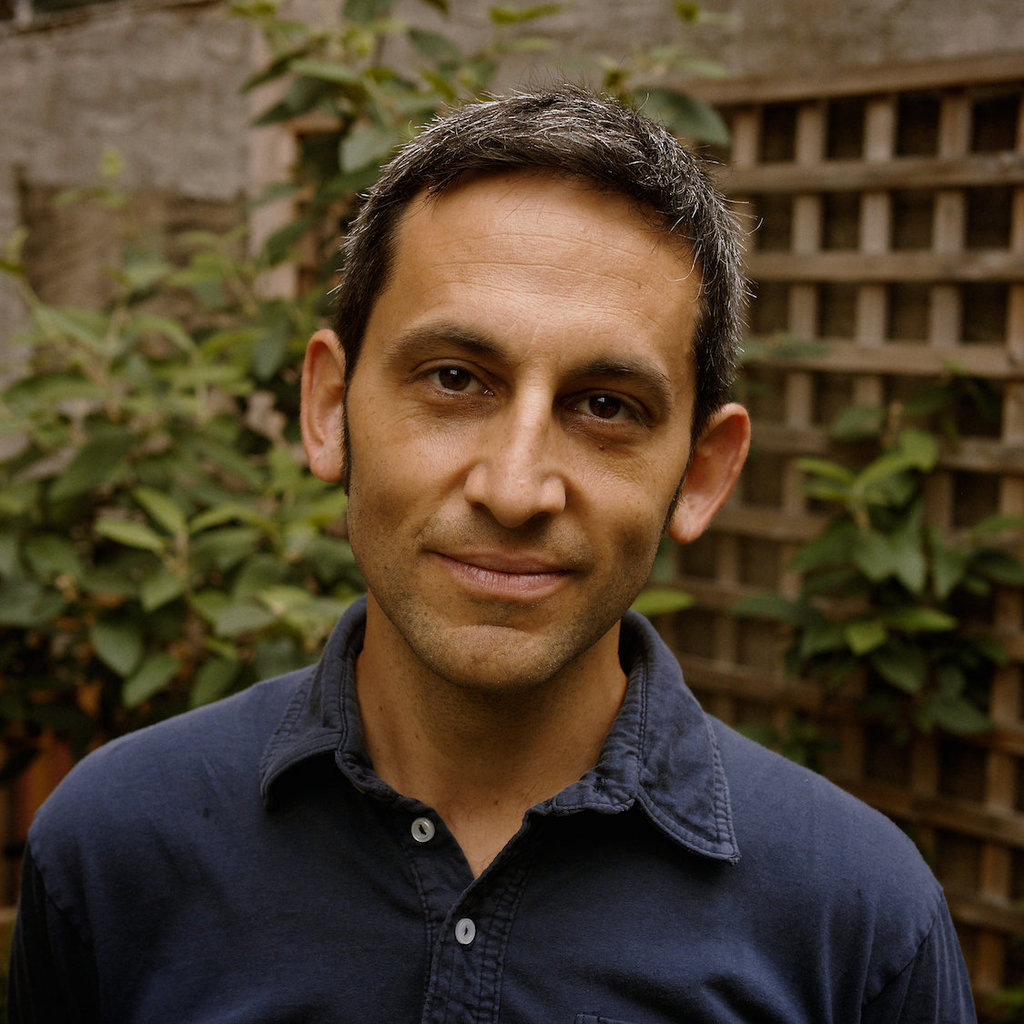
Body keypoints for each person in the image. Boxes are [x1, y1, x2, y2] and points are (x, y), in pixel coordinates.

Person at [9, 86, 975, 1023]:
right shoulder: (113, 851)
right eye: (454, 379)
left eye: (607, 406)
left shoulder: (859, 925)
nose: (515, 489)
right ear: (330, 408)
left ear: (702, 472)